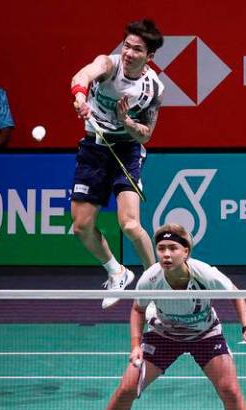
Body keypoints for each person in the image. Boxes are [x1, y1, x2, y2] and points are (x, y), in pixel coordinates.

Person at [100, 223, 246, 410]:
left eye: (173, 248)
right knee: (126, 389)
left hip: (205, 335)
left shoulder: (205, 274)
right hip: (162, 335)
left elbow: (235, 294)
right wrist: (136, 345)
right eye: (161, 248)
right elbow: (138, 309)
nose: (166, 254)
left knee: (229, 390)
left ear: (186, 251)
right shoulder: (150, 278)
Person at [70, 19, 165, 309]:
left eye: (137, 49)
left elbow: (147, 134)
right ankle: (117, 271)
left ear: (149, 56)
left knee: (130, 225)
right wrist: (80, 98)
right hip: (94, 150)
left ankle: (155, 288)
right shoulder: (108, 65)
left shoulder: (152, 88)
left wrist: (126, 122)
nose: (128, 53)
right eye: (126, 46)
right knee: (81, 226)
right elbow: (82, 75)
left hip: (126, 150)